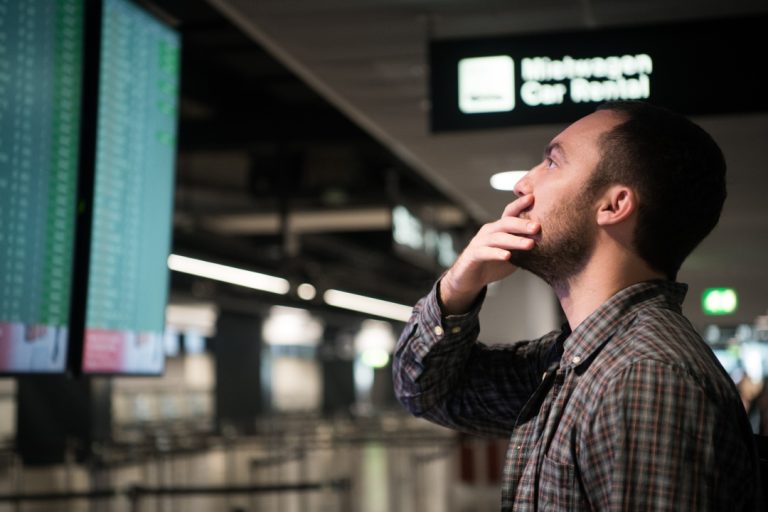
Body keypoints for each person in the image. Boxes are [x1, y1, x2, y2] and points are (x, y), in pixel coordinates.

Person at [393, 101, 762, 510]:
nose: (522, 184)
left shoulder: (643, 376)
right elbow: (427, 392)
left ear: (613, 205)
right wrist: (457, 288)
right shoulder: (577, 361)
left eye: (551, 162)